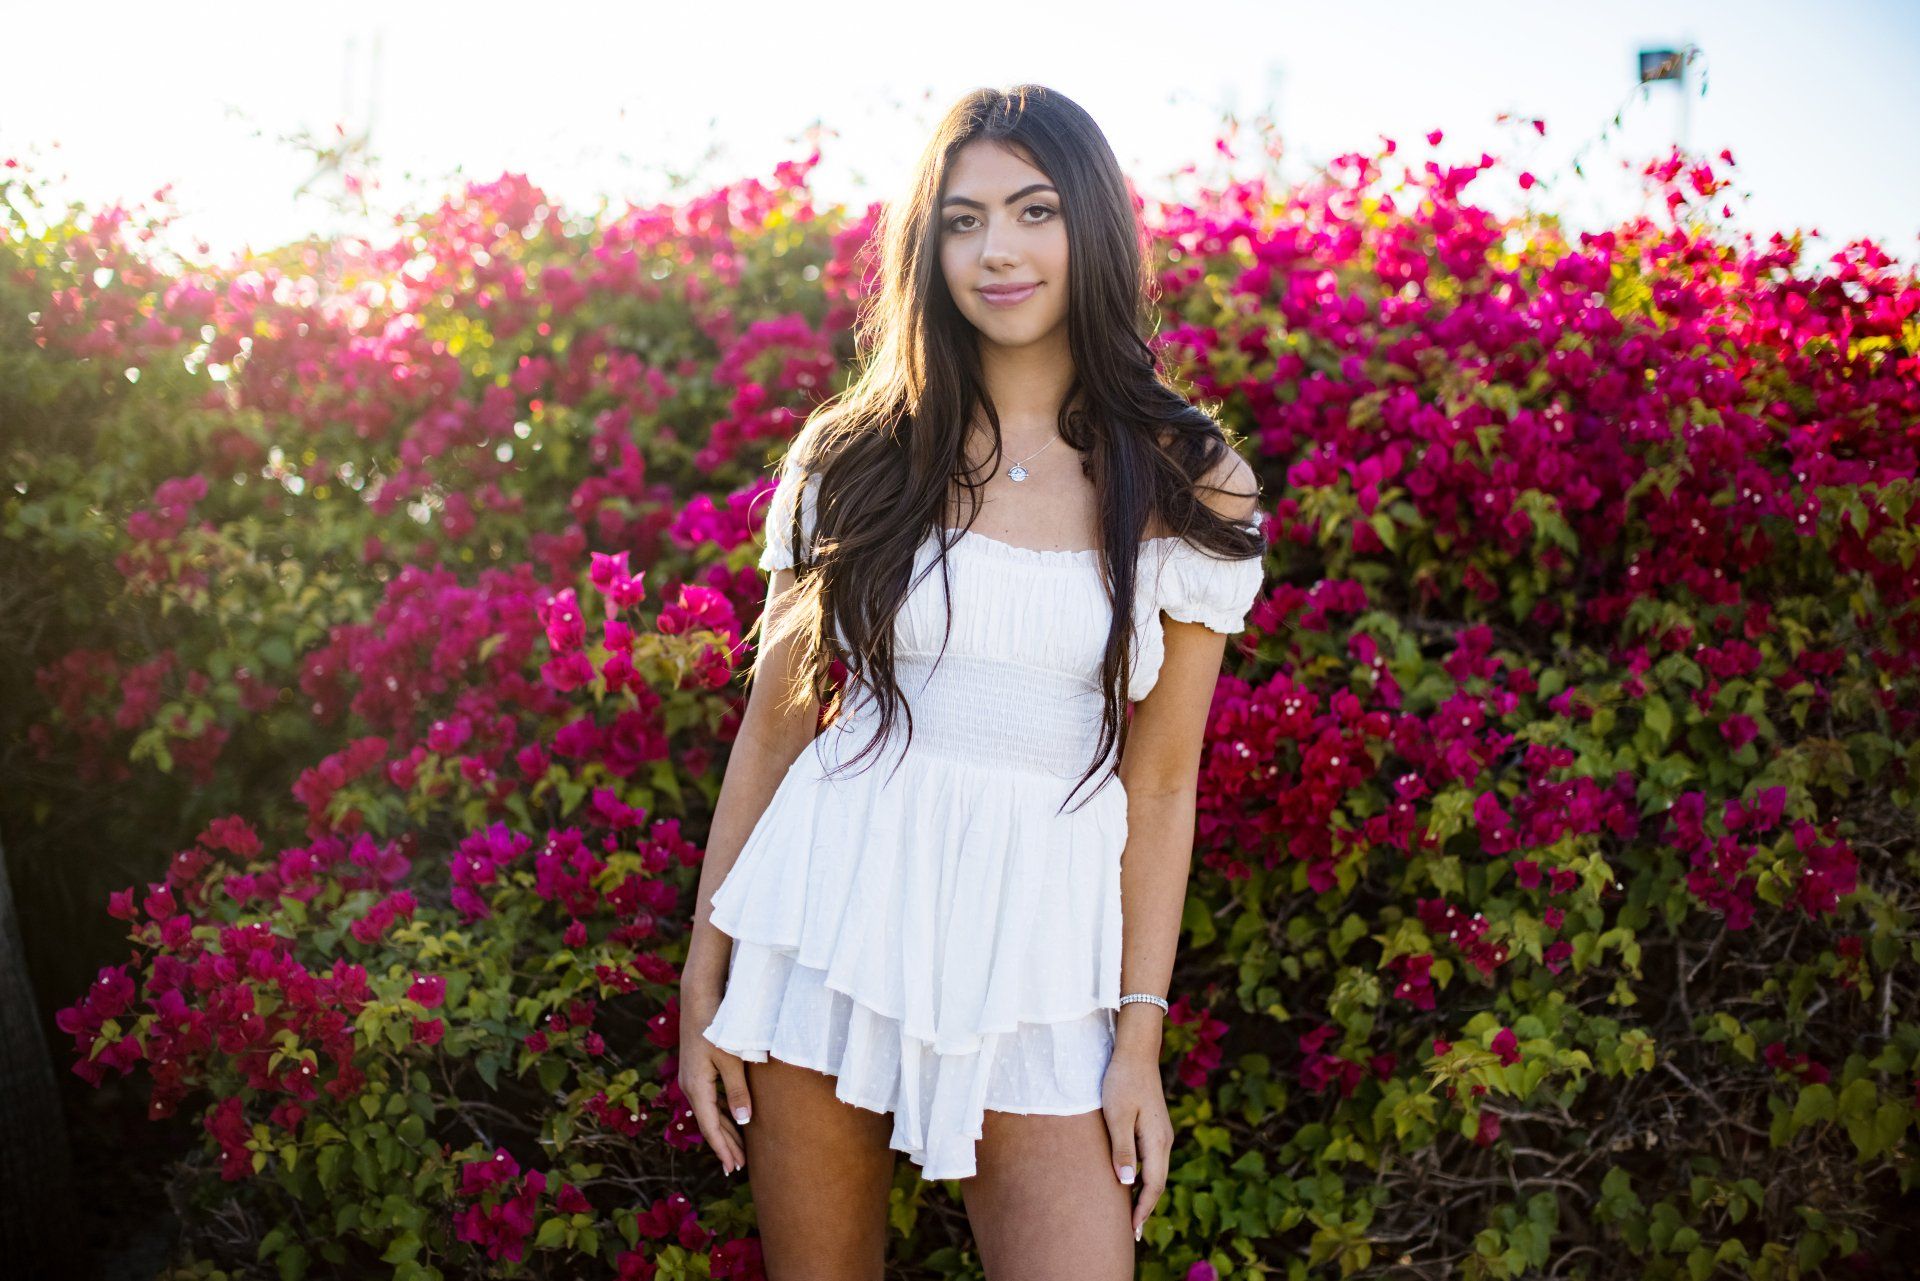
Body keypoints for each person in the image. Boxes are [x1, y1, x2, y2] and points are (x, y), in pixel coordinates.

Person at [677, 83, 1266, 1280]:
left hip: (1044, 956)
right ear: (926, 243)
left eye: (1033, 210)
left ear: (1090, 225)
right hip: (829, 920)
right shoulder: (854, 456)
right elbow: (777, 727)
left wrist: (1136, 1042)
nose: (996, 250)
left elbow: (1159, 787)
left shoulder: (1190, 478)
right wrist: (706, 970)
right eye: (961, 219)